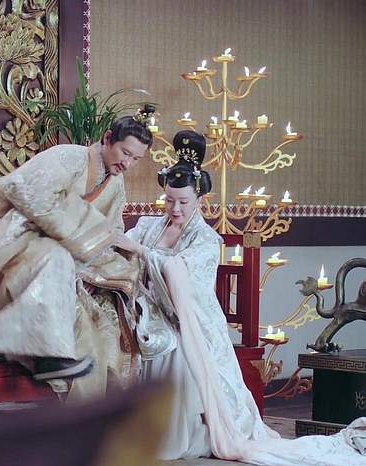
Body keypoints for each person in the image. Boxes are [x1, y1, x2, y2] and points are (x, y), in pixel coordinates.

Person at [115, 130, 366, 464]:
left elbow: (181, 274)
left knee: (168, 345)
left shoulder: (206, 240)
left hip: (188, 321)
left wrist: (141, 252)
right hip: (146, 310)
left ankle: (168, 434)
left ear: (199, 200)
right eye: (169, 200)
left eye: (183, 202)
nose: (174, 208)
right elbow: (123, 248)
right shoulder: (149, 226)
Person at [0, 105, 155, 401]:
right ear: (107, 138)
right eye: (125, 153)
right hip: (24, 242)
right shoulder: (67, 157)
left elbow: (109, 232)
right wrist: (81, 235)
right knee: (56, 259)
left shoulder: (115, 185)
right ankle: (43, 354)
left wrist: (101, 257)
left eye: (136, 159)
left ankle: (81, 414)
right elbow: (30, 193)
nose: (127, 163)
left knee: (95, 337)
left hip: (70, 262)